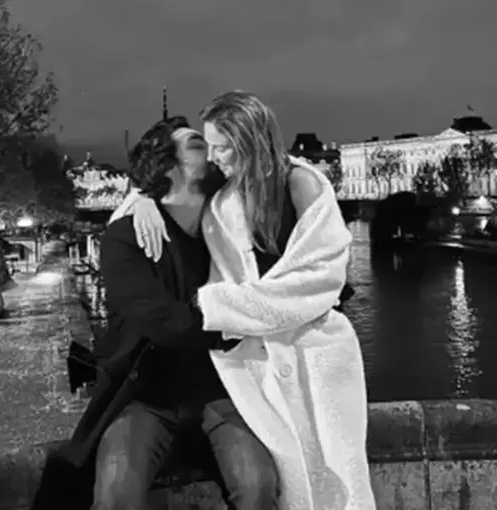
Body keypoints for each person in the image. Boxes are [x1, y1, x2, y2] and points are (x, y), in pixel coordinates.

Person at [112, 91, 375, 510]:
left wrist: (219, 308)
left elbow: (322, 278)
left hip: (311, 356)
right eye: (205, 146)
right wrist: (141, 199)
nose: (213, 156)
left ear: (248, 141)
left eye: (220, 146)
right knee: (282, 479)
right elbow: (160, 182)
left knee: (331, 476)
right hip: (248, 364)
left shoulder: (296, 183)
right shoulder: (222, 192)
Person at [31, 115, 278, 510]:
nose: (214, 152)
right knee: (116, 495)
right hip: (145, 396)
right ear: (167, 166)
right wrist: (234, 329)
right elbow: (162, 321)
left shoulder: (229, 232)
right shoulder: (125, 237)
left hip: (220, 391)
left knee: (259, 486)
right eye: (198, 146)